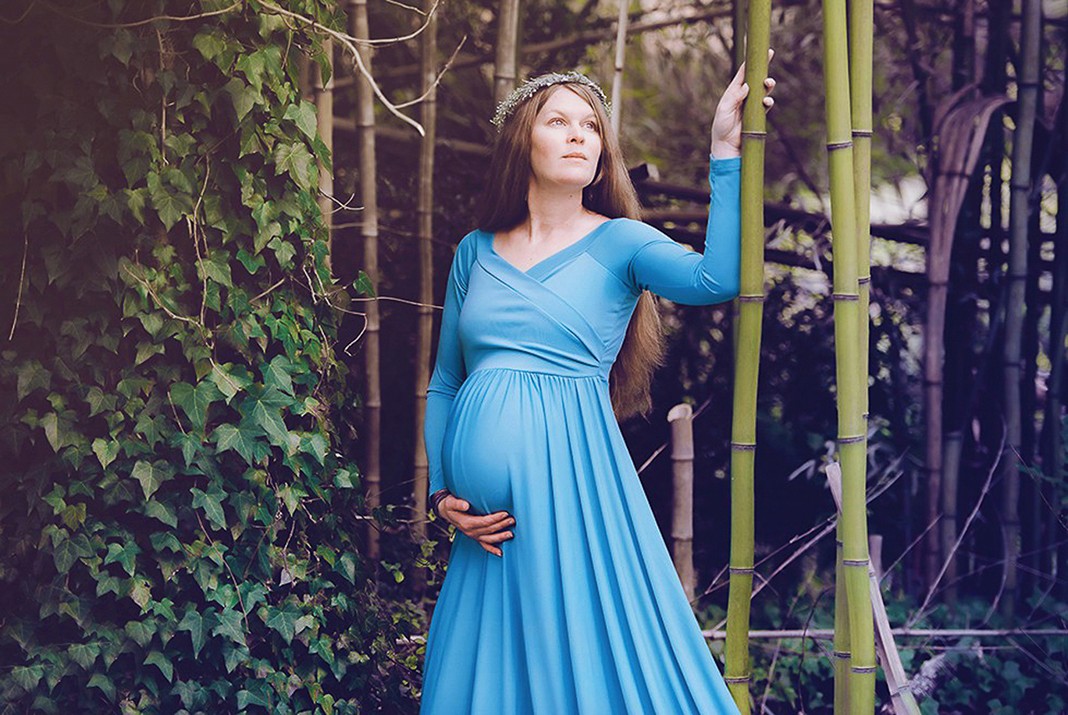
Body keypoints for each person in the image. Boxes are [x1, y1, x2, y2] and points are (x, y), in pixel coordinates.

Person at [420, 54, 776, 714]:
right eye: (560, 121)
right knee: (486, 682)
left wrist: (724, 148)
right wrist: (441, 491)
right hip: (486, 536)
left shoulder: (621, 244)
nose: (582, 133)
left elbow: (716, 279)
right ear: (523, 139)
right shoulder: (475, 250)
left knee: (585, 657)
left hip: (574, 488)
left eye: (592, 124)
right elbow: (445, 381)